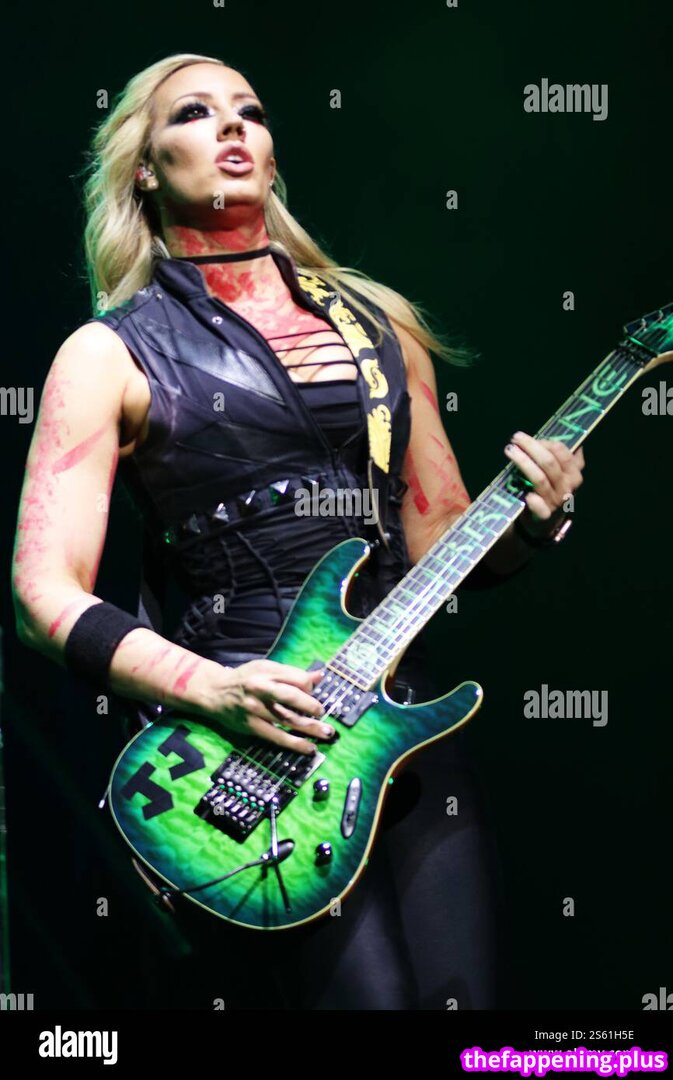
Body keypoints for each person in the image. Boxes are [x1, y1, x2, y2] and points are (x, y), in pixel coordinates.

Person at [11, 53, 585, 1009]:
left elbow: (441, 540)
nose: (233, 126)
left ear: (273, 155)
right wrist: (212, 687)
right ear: (145, 168)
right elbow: (42, 592)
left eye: (251, 111)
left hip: (400, 725)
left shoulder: (377, 324)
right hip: (242, 744)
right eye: (195, 113)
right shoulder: (106, 353)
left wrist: (531, 520)